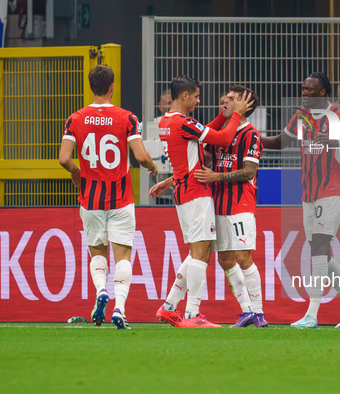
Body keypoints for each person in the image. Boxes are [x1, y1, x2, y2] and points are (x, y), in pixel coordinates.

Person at [262, 72, 340, 329]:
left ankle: (311, 314)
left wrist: (336, 141)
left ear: (322, 92)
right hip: (308, 192)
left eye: (309, 89)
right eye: (303, 89)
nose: (304, 93)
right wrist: (246, 138)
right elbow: (279, 142)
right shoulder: (300, 116)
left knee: (320, 246)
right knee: (320, 252)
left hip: (333, 189)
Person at [58, 64, 158, 329]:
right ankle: (120, 309)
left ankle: (101, 289)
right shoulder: (127, 118)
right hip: (120, 199)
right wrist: (152, 166)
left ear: (91, 86)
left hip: (90, 199)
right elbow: (139, 156)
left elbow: (63, 158)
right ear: (113, 87)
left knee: (97, 254)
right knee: (123, 255)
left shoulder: (75, 118)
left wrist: (76, 171)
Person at [150, 76, 254, 328]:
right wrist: (236, 116)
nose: (198, 100)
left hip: (185, 192)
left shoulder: (167, 121)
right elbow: (221, 138)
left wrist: (226, 115)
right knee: (200, 254)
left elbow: (204, 131)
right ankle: (192, 314)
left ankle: (169, 307)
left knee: (198, 251)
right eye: (196, 96)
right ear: (184, 96)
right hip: (196, 192)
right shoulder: (183, 123)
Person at [194, 85, 268, 328]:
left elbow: (248, 172)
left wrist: (216, 177)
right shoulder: (219, 133)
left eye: (232, 98)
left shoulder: (251, 134)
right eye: (225, 97)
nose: (224, 100)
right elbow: (199, 162)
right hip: (217, 204)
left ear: (244, 107)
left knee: (242, 256)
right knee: (225, 259)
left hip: (240, 203)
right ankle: (247, 310)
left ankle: (259, 312)